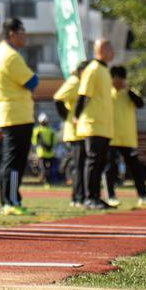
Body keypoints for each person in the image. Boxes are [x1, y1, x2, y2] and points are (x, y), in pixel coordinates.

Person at [0, 18, 38, 216]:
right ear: (12, 33)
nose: (25, 35)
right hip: (17, 115)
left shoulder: (1, 53)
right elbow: (32, 81)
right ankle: (11, 200)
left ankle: (8, 200)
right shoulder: (11, 56)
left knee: (10, 160)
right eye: (22, 31)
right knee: (15, 161)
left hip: (10, 115)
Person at [74, 39, 115, 210]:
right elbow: (83, 95)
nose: (113, 52)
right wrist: (76, 116)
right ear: (102, 50)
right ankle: (89, 197)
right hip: (93, 124)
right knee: (92, 161)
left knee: (99, 162)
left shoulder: (105, 71)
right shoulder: (93, 69)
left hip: (104, 125)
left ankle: (97, 196)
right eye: (110, 48)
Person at [105, 66, 146, 207]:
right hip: (111, 137)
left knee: (135, 168)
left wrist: (128, 90)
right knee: (110, 168)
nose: (118, 82)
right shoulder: (107, 93)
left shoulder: (130, 93)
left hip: (127, 138)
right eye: (116, 79)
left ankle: (143, 196)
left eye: (121, 79)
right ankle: (111, 196)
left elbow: (140, 103)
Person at [54, 60, 88, 207]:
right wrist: (67, 116)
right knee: (79, 166)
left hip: (82, 130)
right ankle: (77, 197)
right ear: (81, 71)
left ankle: (79, 196)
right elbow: (58, 98)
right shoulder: (74, 81)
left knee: (82, 165)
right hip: (75, 132)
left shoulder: (83, 83)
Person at [32, 113, 57, 185]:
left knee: (43, 168)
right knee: (48, 168)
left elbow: (34, 141)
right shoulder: (51, 130)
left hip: (41, 153)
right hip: (50, 153)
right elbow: (54, 142)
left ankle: (45, 181)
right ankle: (48, 181)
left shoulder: (37, 130)